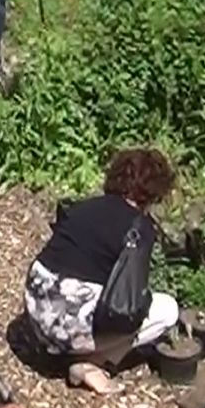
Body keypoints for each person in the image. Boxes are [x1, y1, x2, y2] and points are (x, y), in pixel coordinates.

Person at [23, 148, 182, 394]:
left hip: (35, 307)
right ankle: (91, 363)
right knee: (166, 309)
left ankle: (72, 351)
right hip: (64, 328)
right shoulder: (138, 230)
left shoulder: (84, 207)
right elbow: (129, 302)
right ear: (154, 193)